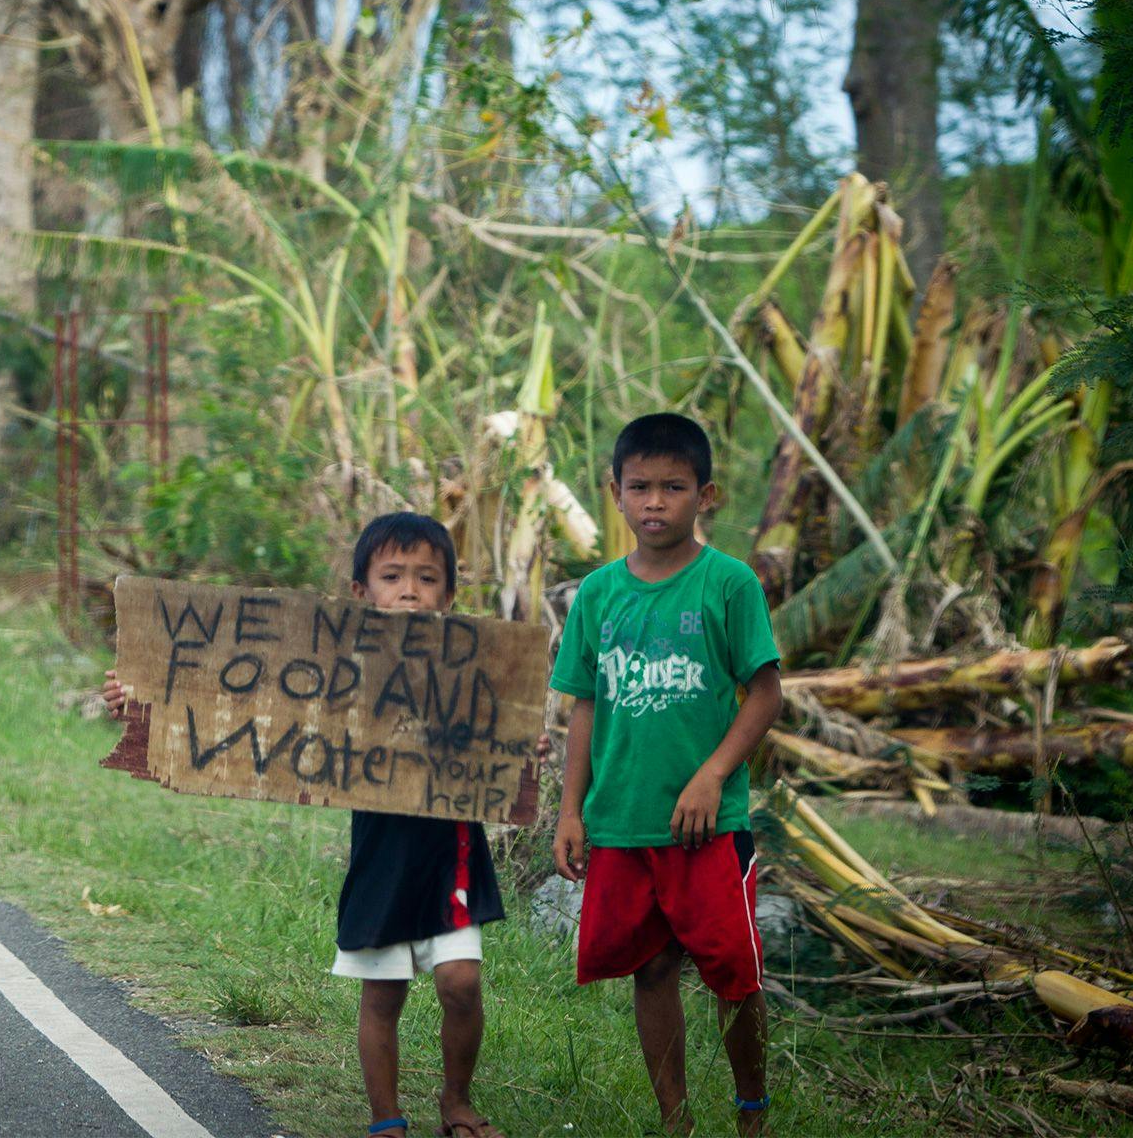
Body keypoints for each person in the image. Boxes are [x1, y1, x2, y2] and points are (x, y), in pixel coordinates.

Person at [104, 513, 506, 1138]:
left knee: (462, 984)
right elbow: (239, 695)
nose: (409, 590)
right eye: (392, 576)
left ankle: (456, 1103)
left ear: (450, 595)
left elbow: (506, 734)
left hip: (451, 856)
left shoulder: (472, 670)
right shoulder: (334, 668)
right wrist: (146, 692)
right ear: (359, 593)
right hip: (380, 861)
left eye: (426, 579)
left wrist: (519, 754)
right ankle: (386, 1120)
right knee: (384, 995)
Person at [549, 413, 782, 1138]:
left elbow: (766, 693)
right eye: (640, 487)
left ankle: (751, 1109)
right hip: (622, 818)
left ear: (704, 495)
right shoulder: (597, 595)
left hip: (709, 826)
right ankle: (673, 1119)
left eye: (673, 487)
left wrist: (713, 774)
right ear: (613, 492)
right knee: (650, 971)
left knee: (734, 975)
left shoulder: (729, 584)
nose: (655, 502)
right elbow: (584, 705)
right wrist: (571, 810)